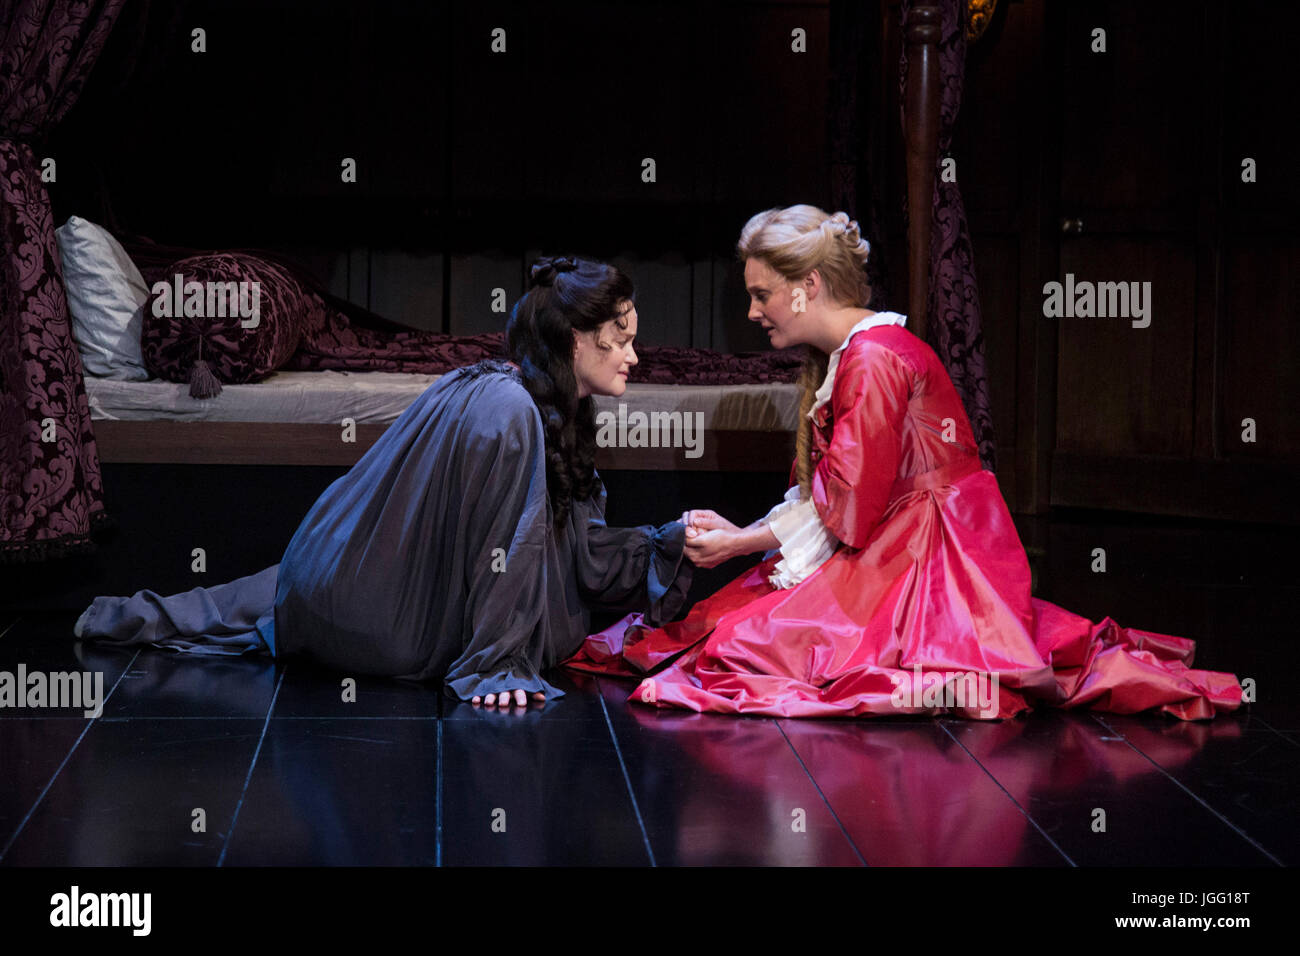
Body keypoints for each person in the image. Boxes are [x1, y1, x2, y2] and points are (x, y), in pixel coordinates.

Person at [566, 206, 1242, 720]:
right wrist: (747, 538)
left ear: (808, 287)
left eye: (762, 294)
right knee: (726, 632)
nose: (752, 312)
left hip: (929, 554)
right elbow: (837, 491)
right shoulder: (858, 354)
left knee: (746, 652)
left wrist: (744, 541)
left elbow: (849, 507)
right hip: (901, 536)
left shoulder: (875, 359)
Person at [75, 256, 693, 708]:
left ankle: (128, 619)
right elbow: (509, 550)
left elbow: (571, 549)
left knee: (224, 609)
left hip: (386, 580)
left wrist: (671, 540)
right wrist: (496, 665)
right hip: (384, 606)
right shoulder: (508, 409)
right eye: (621, 341)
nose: (634, 357)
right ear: (576, 340)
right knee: (237, 611)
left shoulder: (563, 406)